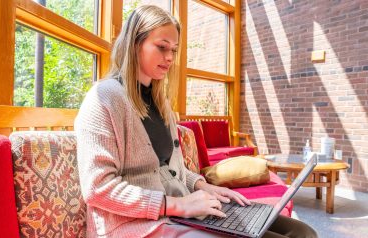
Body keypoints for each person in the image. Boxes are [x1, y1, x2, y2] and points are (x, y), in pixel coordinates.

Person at [75, 5, 317, 238]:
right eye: (162, 47)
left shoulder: (161, 104)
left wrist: (203, 186)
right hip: (133, 225)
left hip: (176, 213)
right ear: (134, 43)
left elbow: (169, 172)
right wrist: (178, 205)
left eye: (174, 50)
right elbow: (98, 189)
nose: (170, 57)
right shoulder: (104, 98)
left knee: (303, 232)